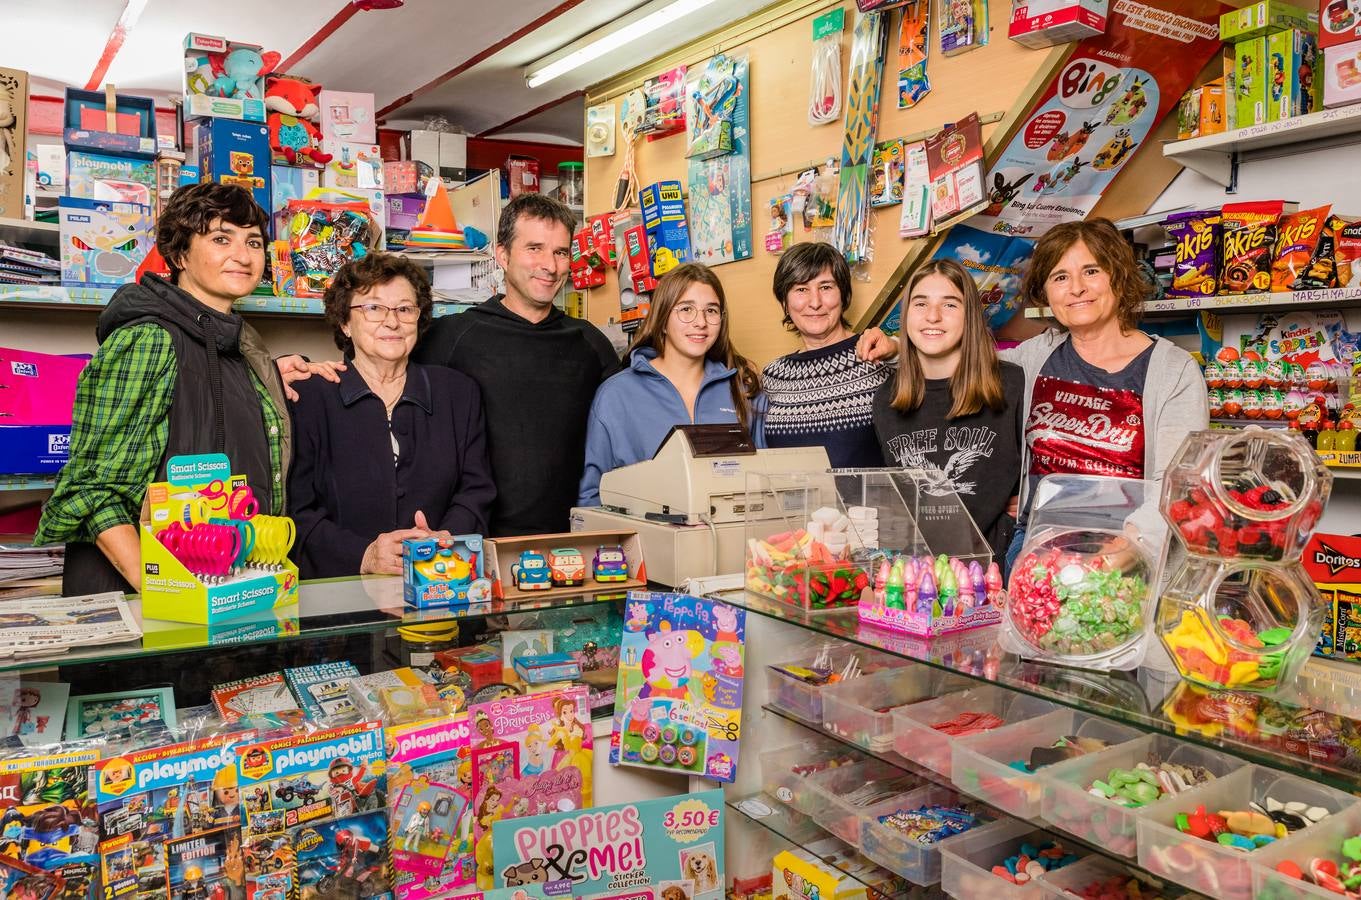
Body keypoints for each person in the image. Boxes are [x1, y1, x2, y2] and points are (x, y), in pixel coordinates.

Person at [34, 183, 337, 595]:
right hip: (149, 600)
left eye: (253, 241)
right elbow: (90, 491)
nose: (243, 255)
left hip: (224, 587)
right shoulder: (149, 339)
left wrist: (265, 386)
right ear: (179, 255)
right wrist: (166, 588)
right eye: (220, 238)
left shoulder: (244, 348)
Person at [1000, 218, 1208, 570]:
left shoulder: (1173, 371)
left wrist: (1116, 556)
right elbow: (962, 366)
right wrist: (895, 345)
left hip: (1129, 556)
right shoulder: (1034, 356)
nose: (1077, 288)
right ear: (1047, 292)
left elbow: (1178, 485)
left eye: (1091, 271)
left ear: (1118, 275)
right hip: (1037, 553)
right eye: (1060, 277)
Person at [413, 194, 619, 536]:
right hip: (472, 542)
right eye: (534, 248)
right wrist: (295, 369)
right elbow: (377, 372)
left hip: (569, 543)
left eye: (560, 252)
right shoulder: (451, 337)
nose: (550, 266)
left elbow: (633, 413)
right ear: (502, 254)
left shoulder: (590, 343)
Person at [287, 253, 495, 579]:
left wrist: (445, 540)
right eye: (373, 308)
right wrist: (365, 555)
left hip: (441, 587)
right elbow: (296, 513)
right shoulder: (309, 396)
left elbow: (476, 492)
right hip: (342, 603)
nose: (392, 322)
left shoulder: (458, 392)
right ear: (345, 321)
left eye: (404, 309)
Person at [871, 259, 1024, 559]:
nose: (933, 316)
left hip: (995, 576)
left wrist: (1032, 501)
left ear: (970, 316)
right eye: (920, 304)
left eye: (950, 305)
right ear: (905, 316)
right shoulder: (886, 399)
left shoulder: (1011, 383)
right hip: (918, 577)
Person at [576, 263, 762, 506]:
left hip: (732, 541)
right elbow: (592, 496)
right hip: (645, 541)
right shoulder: (616, 395)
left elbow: (764, 486)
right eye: (686, 309)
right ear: (662, 320)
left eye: (712, 311)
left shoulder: (743, 389)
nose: (701, 322)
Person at [759, 243, 893, 467]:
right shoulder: (773, 375)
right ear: (785, 301)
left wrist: (897, 349)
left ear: (843, 294)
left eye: (826, 287)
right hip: (795, 502)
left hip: (869, 502)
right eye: (801, 289)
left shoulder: (877, 355)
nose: (815, 302)